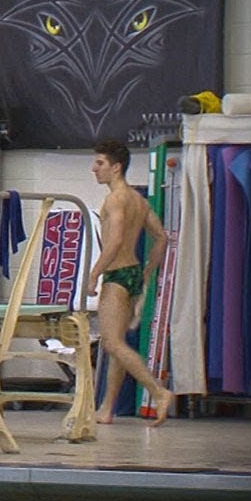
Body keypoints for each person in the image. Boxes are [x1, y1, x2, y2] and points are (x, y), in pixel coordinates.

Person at [87, 140, 173, 426]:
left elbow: (116, 241)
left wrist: (94, 274)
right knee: (117, 344)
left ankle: (157, 391)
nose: (94, 169)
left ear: (116, 167)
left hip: (117, 276)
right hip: (133, 274)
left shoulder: (116, 199)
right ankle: (107, 408)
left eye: (99, 164)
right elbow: (161, 237)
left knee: (112, 343)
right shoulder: (140, 200)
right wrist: (148, 271)